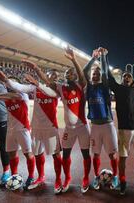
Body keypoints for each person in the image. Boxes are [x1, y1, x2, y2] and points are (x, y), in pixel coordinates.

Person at [30, 47, 91, 194]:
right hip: (69, 130)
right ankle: (67, 178)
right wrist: (37, 69)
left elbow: (82, 75)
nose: (69, 74)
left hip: (83, 128)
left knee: (85, 154)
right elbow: (46, 81)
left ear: (75, 76)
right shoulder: (60, 88)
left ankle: (86, 178)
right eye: (66, 73)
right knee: (66, 155)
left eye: (71, 73)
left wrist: (73, 59)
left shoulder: (80, 85)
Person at [1, 64, 63, 192]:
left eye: (57, 77)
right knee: (37, 153)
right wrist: (6, 80)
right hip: (36, 128)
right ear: (46, 75)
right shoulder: (34, 88)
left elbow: (49, 89)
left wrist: (36, 71)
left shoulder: (56, 90)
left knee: (55, 155)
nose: (54, 78)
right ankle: (40, 177)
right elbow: (19, 87)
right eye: (52, 75)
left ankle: (58, 179)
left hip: (50, 127)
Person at [107, 64, 134, 194]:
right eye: (124, 76)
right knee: (123, 157)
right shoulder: (118, 89)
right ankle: (123, 181)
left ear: (133, 78)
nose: (126, 77)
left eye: (128, 75)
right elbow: (108, 77)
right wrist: (103, 58)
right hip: (124, 129)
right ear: (122, 79)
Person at [83, 47, 119, 190]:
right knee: (96, 154)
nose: (95, 75)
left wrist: (103, 57)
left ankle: (115, 176)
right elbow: (85, 71)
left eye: (98, 73)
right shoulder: (89, 87)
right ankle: (97, 176)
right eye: (94, 73)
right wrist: (93, 58)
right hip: (95, 126)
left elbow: (104, 72)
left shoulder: (104, 86)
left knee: (112, 154)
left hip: (107, 125)